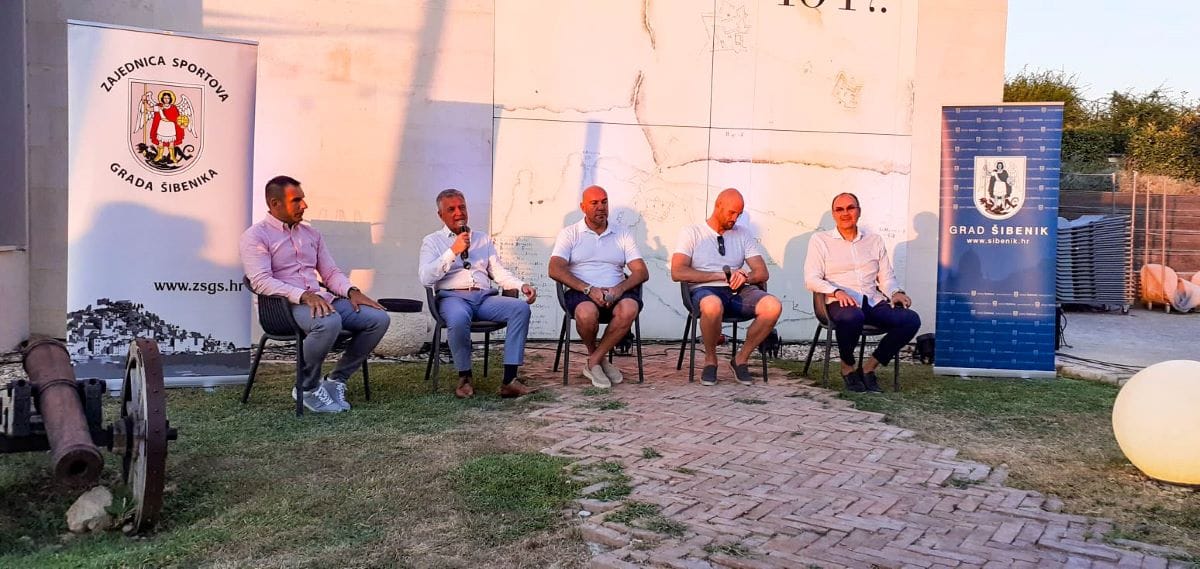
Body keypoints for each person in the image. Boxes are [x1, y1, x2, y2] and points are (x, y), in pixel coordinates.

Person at [240, 175, 390, 413]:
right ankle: (307, 387)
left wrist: (352, 291)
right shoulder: (255, 236)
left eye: (303, 199)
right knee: (329, 322)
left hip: (320, 300)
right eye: (296, 200)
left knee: (378, 319)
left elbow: (330, 272)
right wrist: (302, 295)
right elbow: (260, 281)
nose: (304, 205)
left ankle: (336, 380)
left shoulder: (311, 235)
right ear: (275, 203)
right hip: (282, 309)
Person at [418, 189, 539, 399]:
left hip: (483, 298)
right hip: (453, 298)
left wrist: (521, 285)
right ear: (440, 215)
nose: (459, 213)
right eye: (451, 209)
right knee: (458, 317)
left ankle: (509, 381)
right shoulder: (432, 241)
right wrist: (453, 251)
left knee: (520, 308)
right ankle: (465, 377)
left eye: (462, 207)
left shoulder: (482, 238)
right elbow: (425, 278)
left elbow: (498, 272)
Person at [804, 192, 920, 393]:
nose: (845, 213)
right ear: (833, 214)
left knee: (910, 319)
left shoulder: (874, 240)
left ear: (859, 211)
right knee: (853, 316)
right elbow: (811, 279)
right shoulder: (820, 240)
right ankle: (847, 368)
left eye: (850, 208)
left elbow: (886, 278)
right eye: (839, 209)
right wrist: (836, 291)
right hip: (838, 302)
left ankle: (868, 368)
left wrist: (895, 292)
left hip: (872, 300)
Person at [670, 188, 782, 386]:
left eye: (739, 214)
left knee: (773, 306)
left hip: (738, 291)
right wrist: (720, 275)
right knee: (712, 305)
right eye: (731, 212)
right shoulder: (692, 232)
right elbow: (677, 272)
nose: (735, 218)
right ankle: (710, 360)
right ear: (718, 206)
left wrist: (745, 276)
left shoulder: (743, 234)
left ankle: (740, 359)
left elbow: (762, 272)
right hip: (704, 290)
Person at [548, 185, 649, 387]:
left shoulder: (622, 233)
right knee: (586, 313)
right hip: (581, 292)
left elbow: (641, 272)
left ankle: (594, 361)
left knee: (630, 308)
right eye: (594, 203)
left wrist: (619, 289)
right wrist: (588, 289)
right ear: (583, 207)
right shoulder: (570, 233)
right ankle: (598, 358)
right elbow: (554, 269)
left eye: (604, 202)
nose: (601, 207)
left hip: (616, 291)